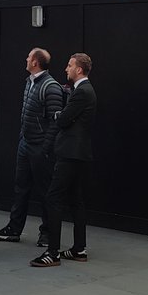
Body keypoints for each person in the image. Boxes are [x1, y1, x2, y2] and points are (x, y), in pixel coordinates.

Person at [0, 47, 63, 248]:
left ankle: (47, 233)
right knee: (20, 188)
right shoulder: (29, 83)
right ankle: (14, 229)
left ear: (35, 63)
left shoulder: (51, 87)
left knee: (45, 191)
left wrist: (46, 147)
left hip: (40, 147)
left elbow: (55, 122)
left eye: (29, 57)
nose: (26, 59)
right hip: (26, 143)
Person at [31, 53, 97, 268]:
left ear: (79, 69)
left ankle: (53, 252)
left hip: (70, 153)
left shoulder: (82, 92)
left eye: (69, 65)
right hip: (79, 153)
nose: (66, 69)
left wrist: (59, 114)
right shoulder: (82, 91)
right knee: (76, 199)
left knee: (53, 198)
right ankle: (79, 248)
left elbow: (63, 118)